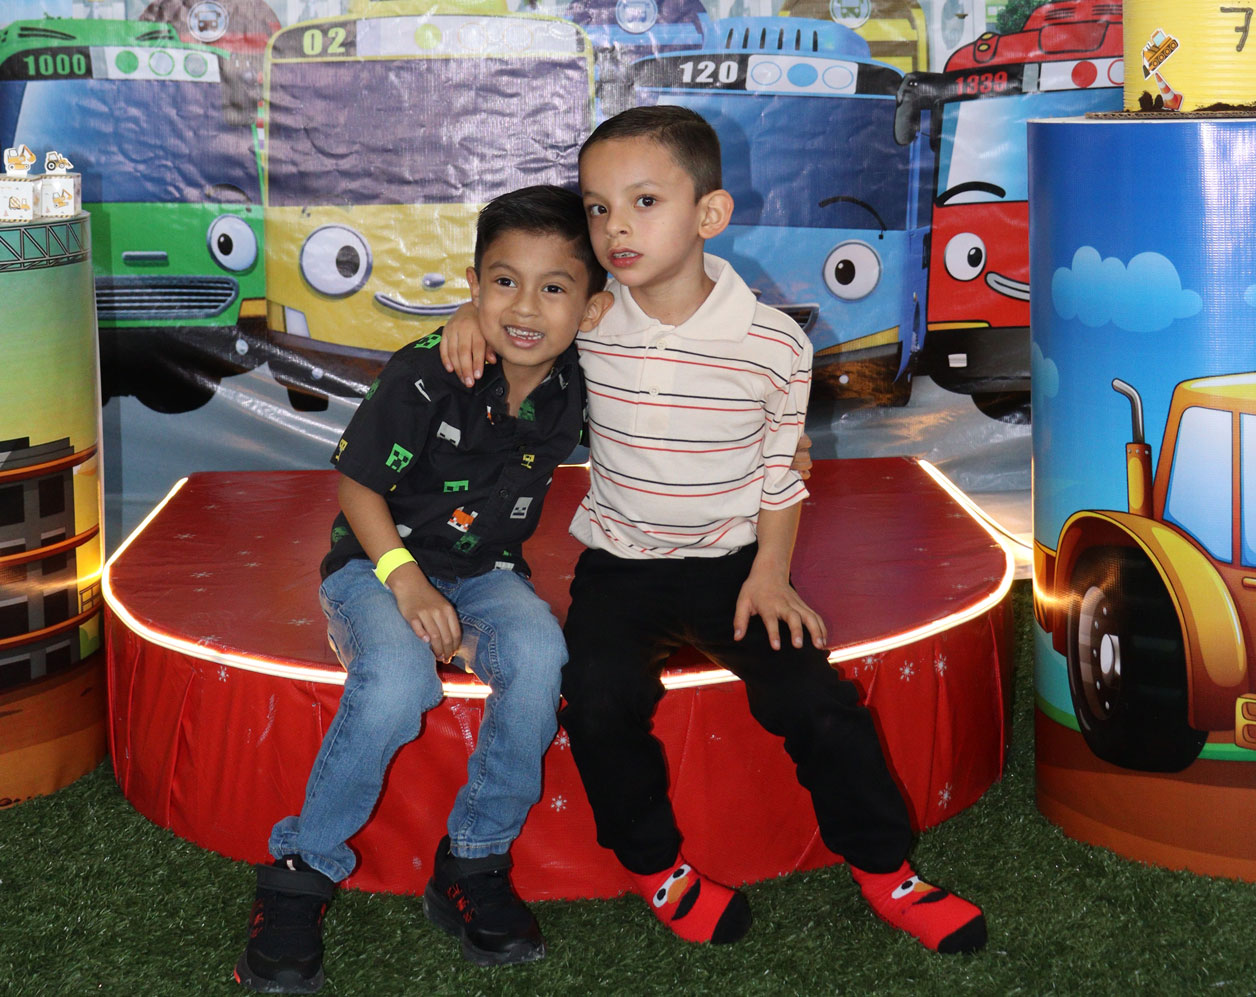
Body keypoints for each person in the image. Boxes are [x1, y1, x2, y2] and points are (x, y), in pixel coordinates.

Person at [439, 106, 987, 955]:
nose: (616, 227)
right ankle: (656, 866)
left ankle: (888, 869)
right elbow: (518, 318)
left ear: (710, 214)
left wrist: (770, 574)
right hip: (620, 565)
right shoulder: (590, 319)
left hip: (735, 564)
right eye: (597, 208)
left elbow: (781, 468)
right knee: (597, 701)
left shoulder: (775, 343)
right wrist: (465, 316)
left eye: (644, 201)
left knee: (818, 703)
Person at [234, 184, 613, 993]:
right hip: (376, 565)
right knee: (397, 680)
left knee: (541, 657)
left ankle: (473, 859)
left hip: (488, 573)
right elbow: (357, 487)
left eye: (554, 288)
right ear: (473, 284)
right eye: (503, 282)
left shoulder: (583, 377)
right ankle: (301, 869)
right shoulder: (426, 372)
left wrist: (774, 440)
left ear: (592, 308)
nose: (525, 307)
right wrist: (404, 582)